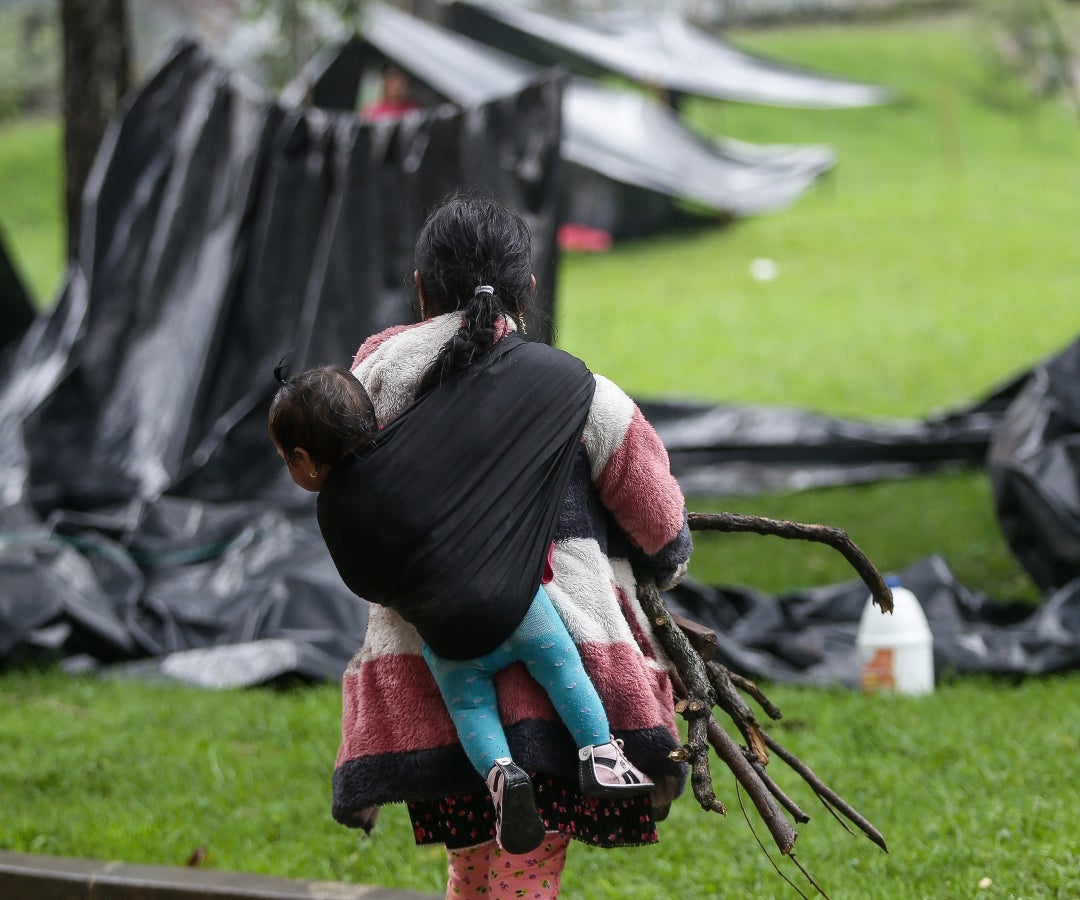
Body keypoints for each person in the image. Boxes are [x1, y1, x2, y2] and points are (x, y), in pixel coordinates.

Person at [332, 191, 693, 899]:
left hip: (424, 674)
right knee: (527, 877)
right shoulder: (584, 396)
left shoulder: (364, 392)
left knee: (470, 867)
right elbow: (661, 526)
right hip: (557, 683)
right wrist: (666, 564)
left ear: (420, 289)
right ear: (528, 290)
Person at [268, 366, 656, 856]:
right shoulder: (417, 449)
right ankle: (600, 753)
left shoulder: (333, 509)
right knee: (563, 668)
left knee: (470, 706)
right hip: (515, 603)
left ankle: (502, 775)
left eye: (286, 459)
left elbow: (362, 582)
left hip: (446, 633)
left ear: (304, 458)